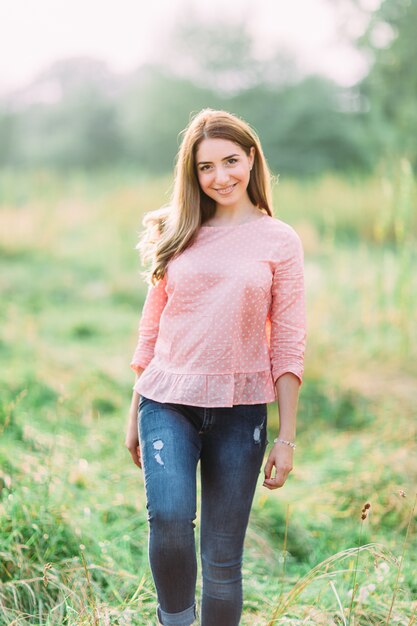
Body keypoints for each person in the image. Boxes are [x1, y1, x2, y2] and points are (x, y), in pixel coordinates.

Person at [125, 108, 306, 626]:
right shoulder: (180, 232)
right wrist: (134, 408)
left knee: (223, 561)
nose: (220, 176)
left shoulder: (279, 240)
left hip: (240, 411)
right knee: (171, 520)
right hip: (167, 403)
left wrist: (286, 437)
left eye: (230, 161)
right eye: (206, 167)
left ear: (251, 159)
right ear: (193, 174)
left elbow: (289, 341)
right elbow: (152, 330)